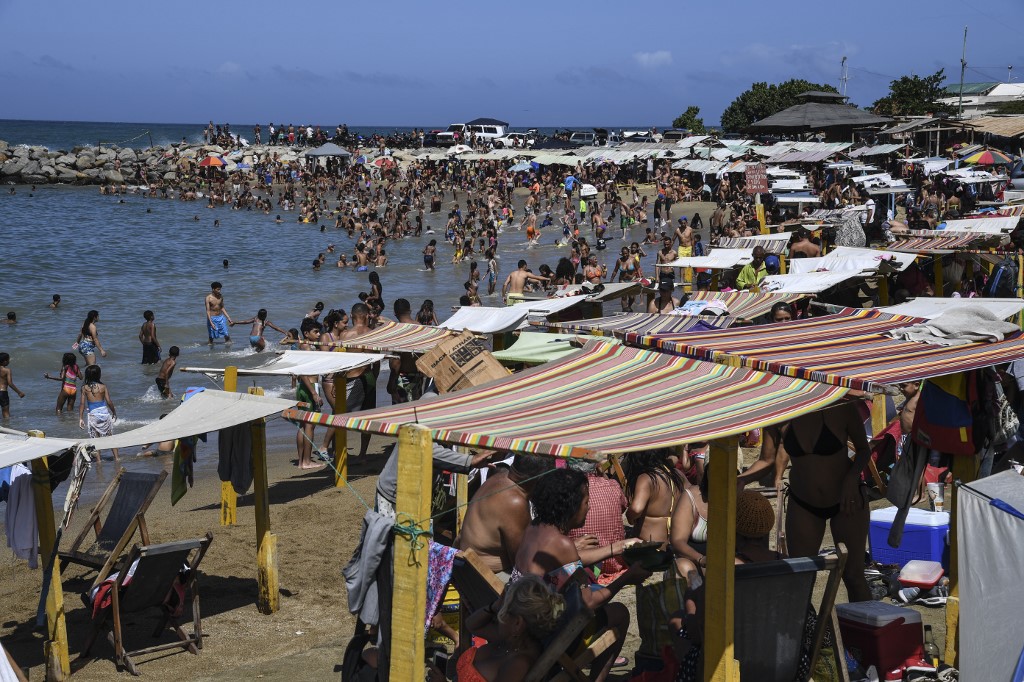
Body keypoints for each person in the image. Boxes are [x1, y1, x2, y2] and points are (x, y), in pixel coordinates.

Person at [512, 468, 649, 682]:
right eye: (586, 502)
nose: (589, 507)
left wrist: (616, 547)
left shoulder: (536, 527)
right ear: (571, 505)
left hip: (526, 627)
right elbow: (590, 603)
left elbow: (563, 561)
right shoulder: (562, 544)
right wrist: (628, 577)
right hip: (548, 639)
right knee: (620, 613)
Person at [780, 402, 873, 602]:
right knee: (801, 578)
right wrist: (742, 479)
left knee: (853, 576)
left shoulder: (842, 407)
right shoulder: (782, 412)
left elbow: (864, 450)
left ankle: (866, 632)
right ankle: (804, 632)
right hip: (803, 501)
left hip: (847, 500)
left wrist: (851, 479)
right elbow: (766, 459)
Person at [457, 453, 553, 577]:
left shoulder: (500, 477)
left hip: (470, 567)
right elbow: (521, 561)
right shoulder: (514, 501)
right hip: (485, 576)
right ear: (541, 479)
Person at [457, 574, 566, 682]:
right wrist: (494, 606)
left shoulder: (518, 665)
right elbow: (472, 625)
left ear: (517, 623)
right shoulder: (513, 640)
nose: (497, 617)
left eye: (502, 612)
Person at [339, 304, 379, 457]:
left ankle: (341, 452)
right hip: (368, 377)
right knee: (367, 419)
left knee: (341, 417)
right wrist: (373, 378)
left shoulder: (346, 335)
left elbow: (340, 362)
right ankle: (363, 454)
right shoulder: (373, 334)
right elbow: (376, 362)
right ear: (366, 315)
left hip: (351, 378)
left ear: (351, 316)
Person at [623, 448, 685, 545]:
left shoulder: (646, 478)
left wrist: (629, 517)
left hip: (649, 545)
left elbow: (636, 509)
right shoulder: (677, 474)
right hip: (673, 542)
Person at [294, 318, 324, 469]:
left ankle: (301, 461)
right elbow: (303, 372)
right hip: (309, 387)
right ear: (306, 333)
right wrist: (313, 392)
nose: (318, 334)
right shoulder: (306, 347)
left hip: (302, 388)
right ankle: (306, 461)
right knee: (310, 425)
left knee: (303, 424)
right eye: (315, 332)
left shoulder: (303, 345)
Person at [78, 365, 118, 460]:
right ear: (99, 375)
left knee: (96, 439)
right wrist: (114, 412)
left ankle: (99, 460)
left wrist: (80, 418)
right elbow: (109, 401)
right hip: (104, 413)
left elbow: (82, 404)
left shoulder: (84, 388)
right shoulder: (103, 387)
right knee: (110, 437)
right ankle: (116, 458)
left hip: (94, 414)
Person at [0, 352, 25, 419]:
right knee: (5, 412)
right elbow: (10, 383)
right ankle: (7, 426)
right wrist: (19, 392)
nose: (9, 361)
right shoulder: (7, 370)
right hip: (2, 393)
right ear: (5, 361)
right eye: (8, 360)